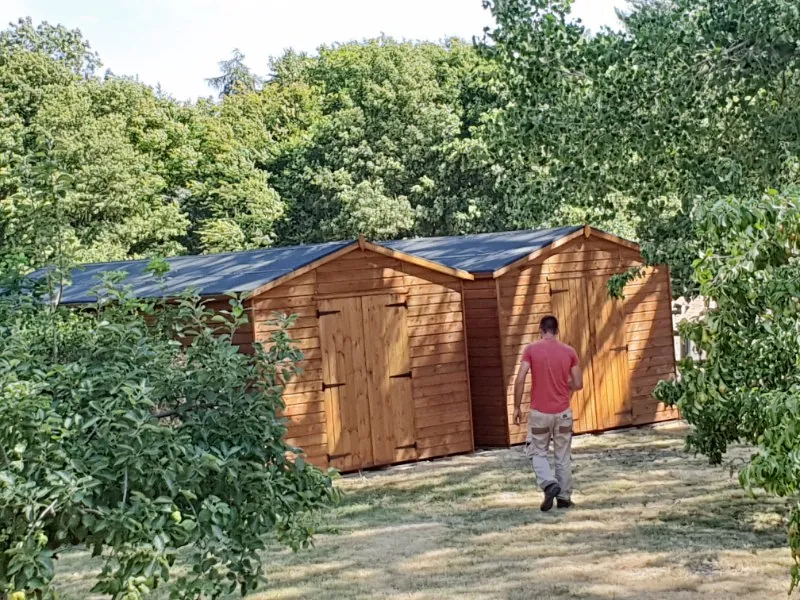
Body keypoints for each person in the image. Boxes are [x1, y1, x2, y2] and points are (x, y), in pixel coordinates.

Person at [513, 315, 583, 512]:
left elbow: (520, 379)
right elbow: (578, 384)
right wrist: (563, 385)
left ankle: (549, 483)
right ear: (557, 331)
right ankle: (564, 498)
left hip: (540, 413)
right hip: (563, 413)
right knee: (562, 455)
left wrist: (517, 407)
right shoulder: (569, 352)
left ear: (540, 330)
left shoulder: (531, 350)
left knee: (537, 451)